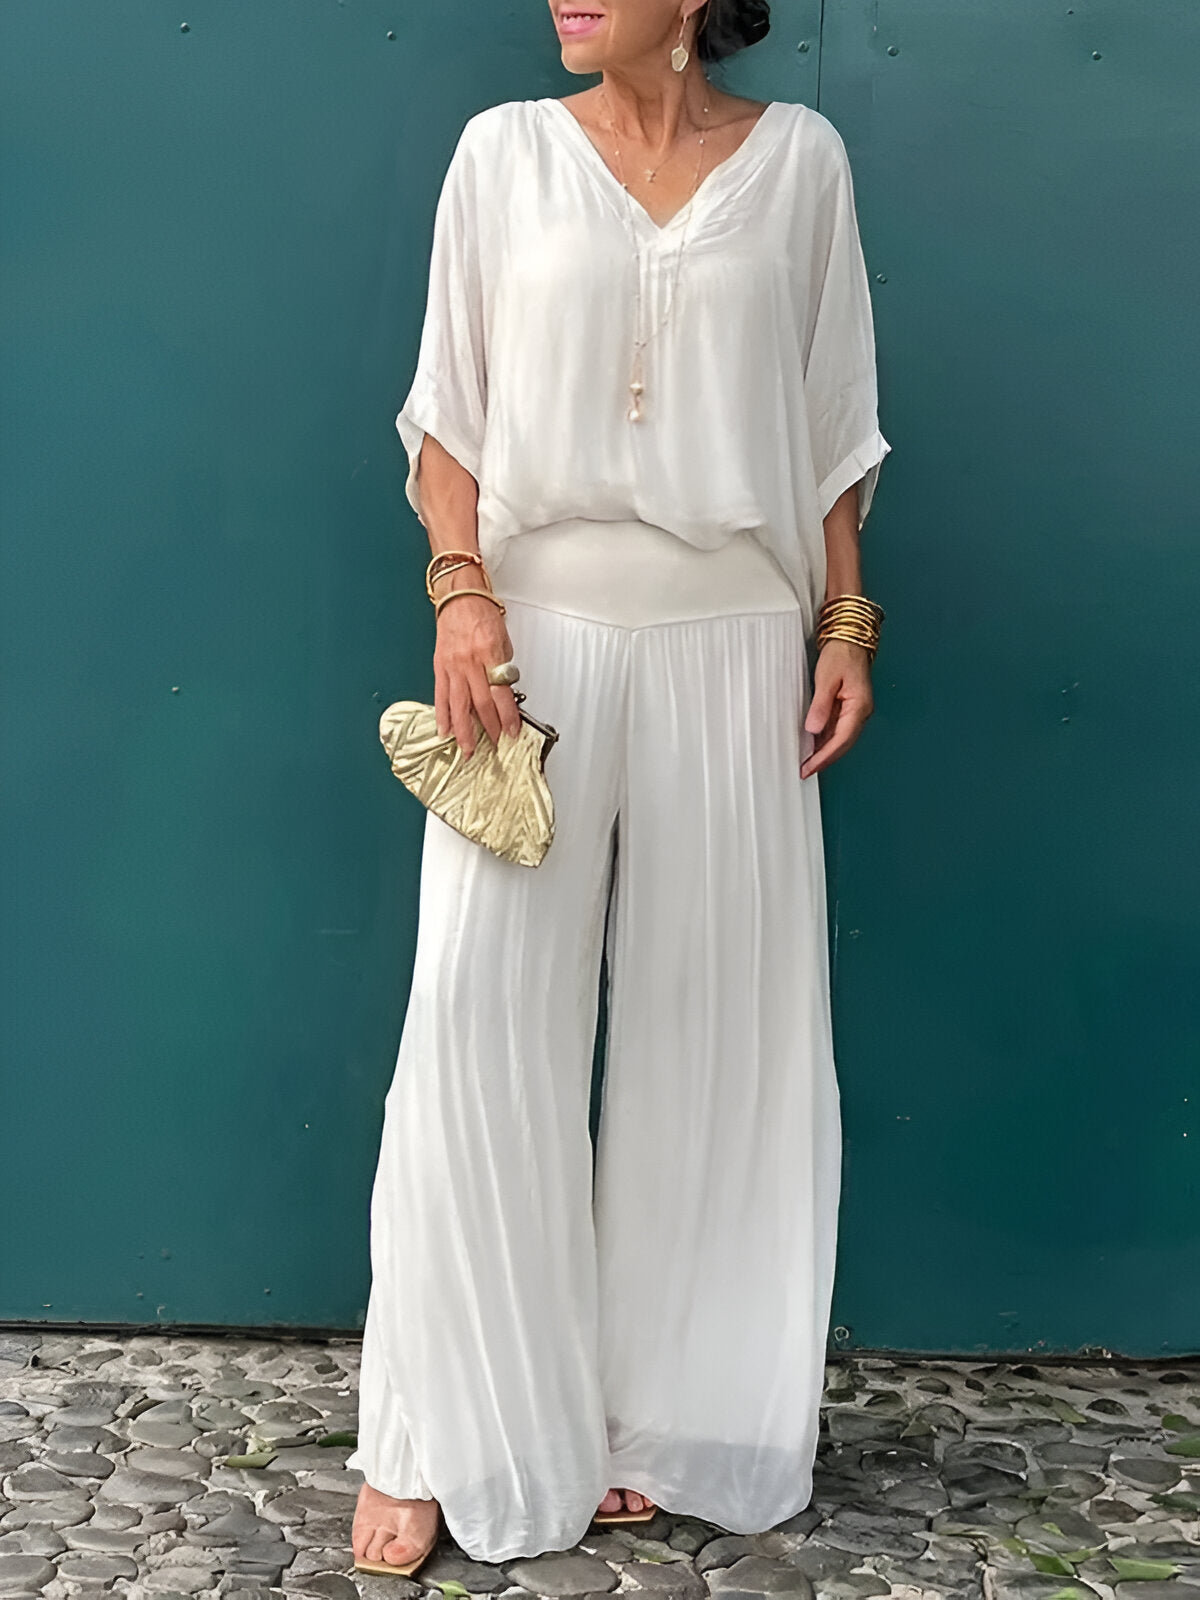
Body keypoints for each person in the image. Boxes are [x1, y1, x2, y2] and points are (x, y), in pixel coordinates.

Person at [347, 0, 892, 1570]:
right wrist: (463, 593)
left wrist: (845, 620)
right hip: (534, 643)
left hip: (736, 639)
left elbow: (830, 424)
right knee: (475, 1017)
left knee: (721, 1029)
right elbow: (447, 412)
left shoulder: (801, 163)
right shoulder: (504, 154)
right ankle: (441, 1430)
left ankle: (667, 1417)